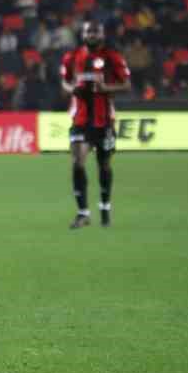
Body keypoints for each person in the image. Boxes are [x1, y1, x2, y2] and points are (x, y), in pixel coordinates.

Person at [60, 20, 130, 229]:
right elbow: (64, 82)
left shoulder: (112, 57)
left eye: (96, 32)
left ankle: (105, 208)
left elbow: (126, 85)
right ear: (82, 34)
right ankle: (83, 213)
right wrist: (72, 88)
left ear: (102, 34)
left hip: (104, 121)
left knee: (104, 165)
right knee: (77, 162)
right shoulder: (71, 57)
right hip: (80, 120)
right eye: (88, 31)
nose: (92, 35)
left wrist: (105, 87)